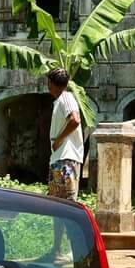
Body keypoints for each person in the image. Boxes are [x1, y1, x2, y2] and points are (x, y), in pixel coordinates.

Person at [45, 67, 84, 201]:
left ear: (50, 82)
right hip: (59, 159)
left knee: (67, 206)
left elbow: (75, 120)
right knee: (57, 207)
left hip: (66, 159)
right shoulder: (60, 100)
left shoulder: (66, 97)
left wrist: (58, 140)